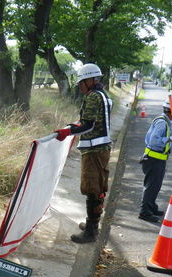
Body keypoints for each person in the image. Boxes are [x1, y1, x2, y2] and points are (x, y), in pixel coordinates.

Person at [55, 63, 112, 244]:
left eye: (81, 82)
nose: (80, 86)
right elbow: (88, 121)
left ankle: (91, 231)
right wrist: (74, 127)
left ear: (90, 80)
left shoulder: (94, 97)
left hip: (94, 150)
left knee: (92, 189)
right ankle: (91, 224)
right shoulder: (103, 95)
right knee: (98, 188)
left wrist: (68, 132)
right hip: (100, 148)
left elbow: (88, 125)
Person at [138, 97, 172, 223]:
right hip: (153, 158)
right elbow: (153, 140)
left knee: (156, 185)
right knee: (151, 186)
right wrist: (170, 139)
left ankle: (151, 207)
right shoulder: (162, 122)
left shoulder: (166, 121)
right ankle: (144, 212)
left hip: (158, 159)